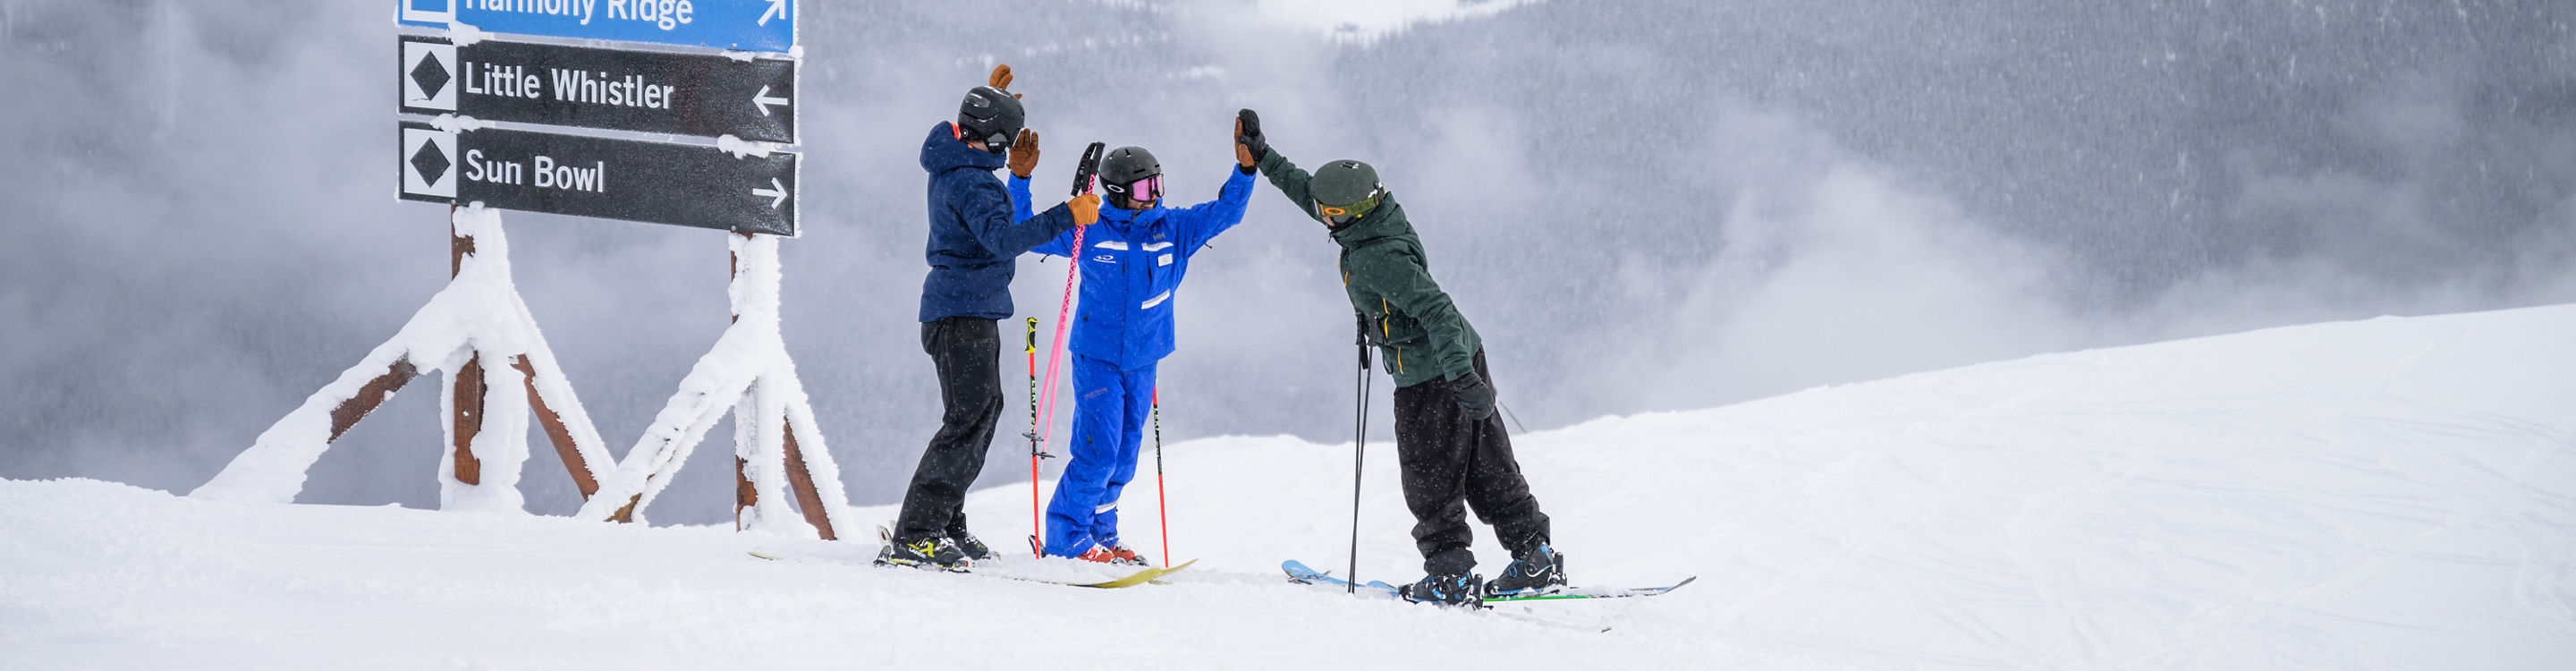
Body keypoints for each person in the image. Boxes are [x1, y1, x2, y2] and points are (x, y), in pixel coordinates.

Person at [1234, 109, 1567, 604]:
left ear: (1354, 213)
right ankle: (1534, 557)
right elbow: (1313, 193)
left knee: (1429, 476)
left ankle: (1451, 575)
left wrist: (1457, 380)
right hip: (1464, 361)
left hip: (1433, 376)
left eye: (1333, 214)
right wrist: (1264, 156)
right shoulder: (1374, 217)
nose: (1324, 217)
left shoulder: (1377, 257)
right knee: (1487, 468)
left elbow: (1437, 309)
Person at [883, 65, 1100, 571]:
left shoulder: (954, 164)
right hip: (962, 311)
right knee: (969, 417)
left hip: (963, 308)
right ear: (996, 137)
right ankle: (916, 532)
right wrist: (1069, 213)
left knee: (981, 412)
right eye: (1007, 134)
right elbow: (1004, 239)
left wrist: (994, 98)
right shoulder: (974, 184)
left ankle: (942, 524)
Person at [1021, 121, 1257, 564]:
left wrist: (1245, 173)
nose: (1157, 193)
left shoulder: (1173, 228)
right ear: (1118, 191)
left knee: (1126, 454)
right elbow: (1025, 230)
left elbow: (1226, 212)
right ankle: (1065, 536)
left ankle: (1101, 531)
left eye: (1158, 183)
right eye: (1148, 187)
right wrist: (1020, 180)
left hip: (1144, 360)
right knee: (1098, 449)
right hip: (1098, 358)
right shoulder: (1088, 226)